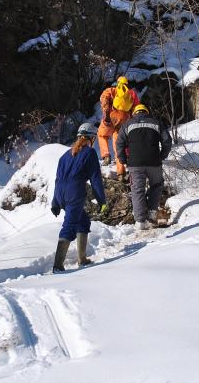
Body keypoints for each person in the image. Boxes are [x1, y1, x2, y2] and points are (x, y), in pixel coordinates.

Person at [51, 123, 107, 272]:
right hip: (74, 192)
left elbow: (58, 179)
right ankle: (57, 266)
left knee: (82, 221)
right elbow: (96, 180)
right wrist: (102, 200)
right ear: (91, 138)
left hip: (60, 193)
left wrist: (55, 202)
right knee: (69, 226)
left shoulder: (65, 155)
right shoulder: (89, 153)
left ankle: (82, 259)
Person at [116, 104, 172, 231]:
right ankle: (151, 214)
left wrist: (123, 159)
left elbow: (119, 143)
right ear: (147, 112)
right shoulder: (156, 123)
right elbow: (167, 141)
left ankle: (140, 221)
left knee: (137, 189)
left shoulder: (127, 124)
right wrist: (162, 155)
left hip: (135, 164)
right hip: (154, 162)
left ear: (134, 113)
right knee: (157, 185)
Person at [96, 76, 139, 177]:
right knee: (119, 145)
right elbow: (136, 108)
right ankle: (121, 173)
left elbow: (104, 99)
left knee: (102, 135)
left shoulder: (111, 90)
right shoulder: (131, 93)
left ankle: (106, 155)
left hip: (111, 116)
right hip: (124, 119)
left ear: (117, 83)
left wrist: (106, 114)